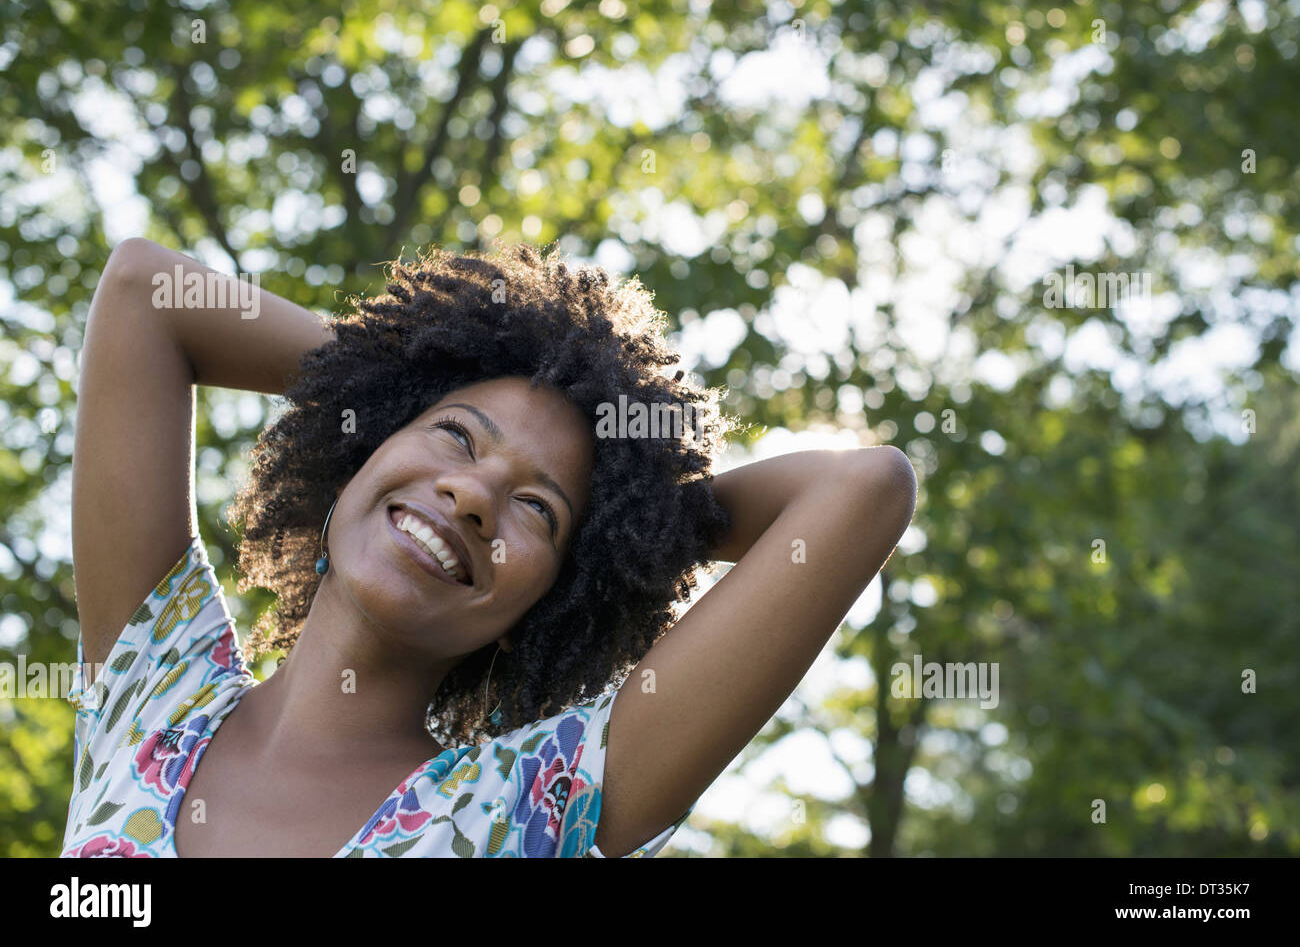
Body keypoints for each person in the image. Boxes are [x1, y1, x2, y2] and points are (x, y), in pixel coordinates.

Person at [60, 237, 917, 858]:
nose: (472, 496)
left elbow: (864, 489)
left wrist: (636, 528)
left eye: (537, 511)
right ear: (363, 455)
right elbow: (147, 292)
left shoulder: (531, 805)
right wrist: (372, 391)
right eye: (456, 437)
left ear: (540, 603)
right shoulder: (154, 697)